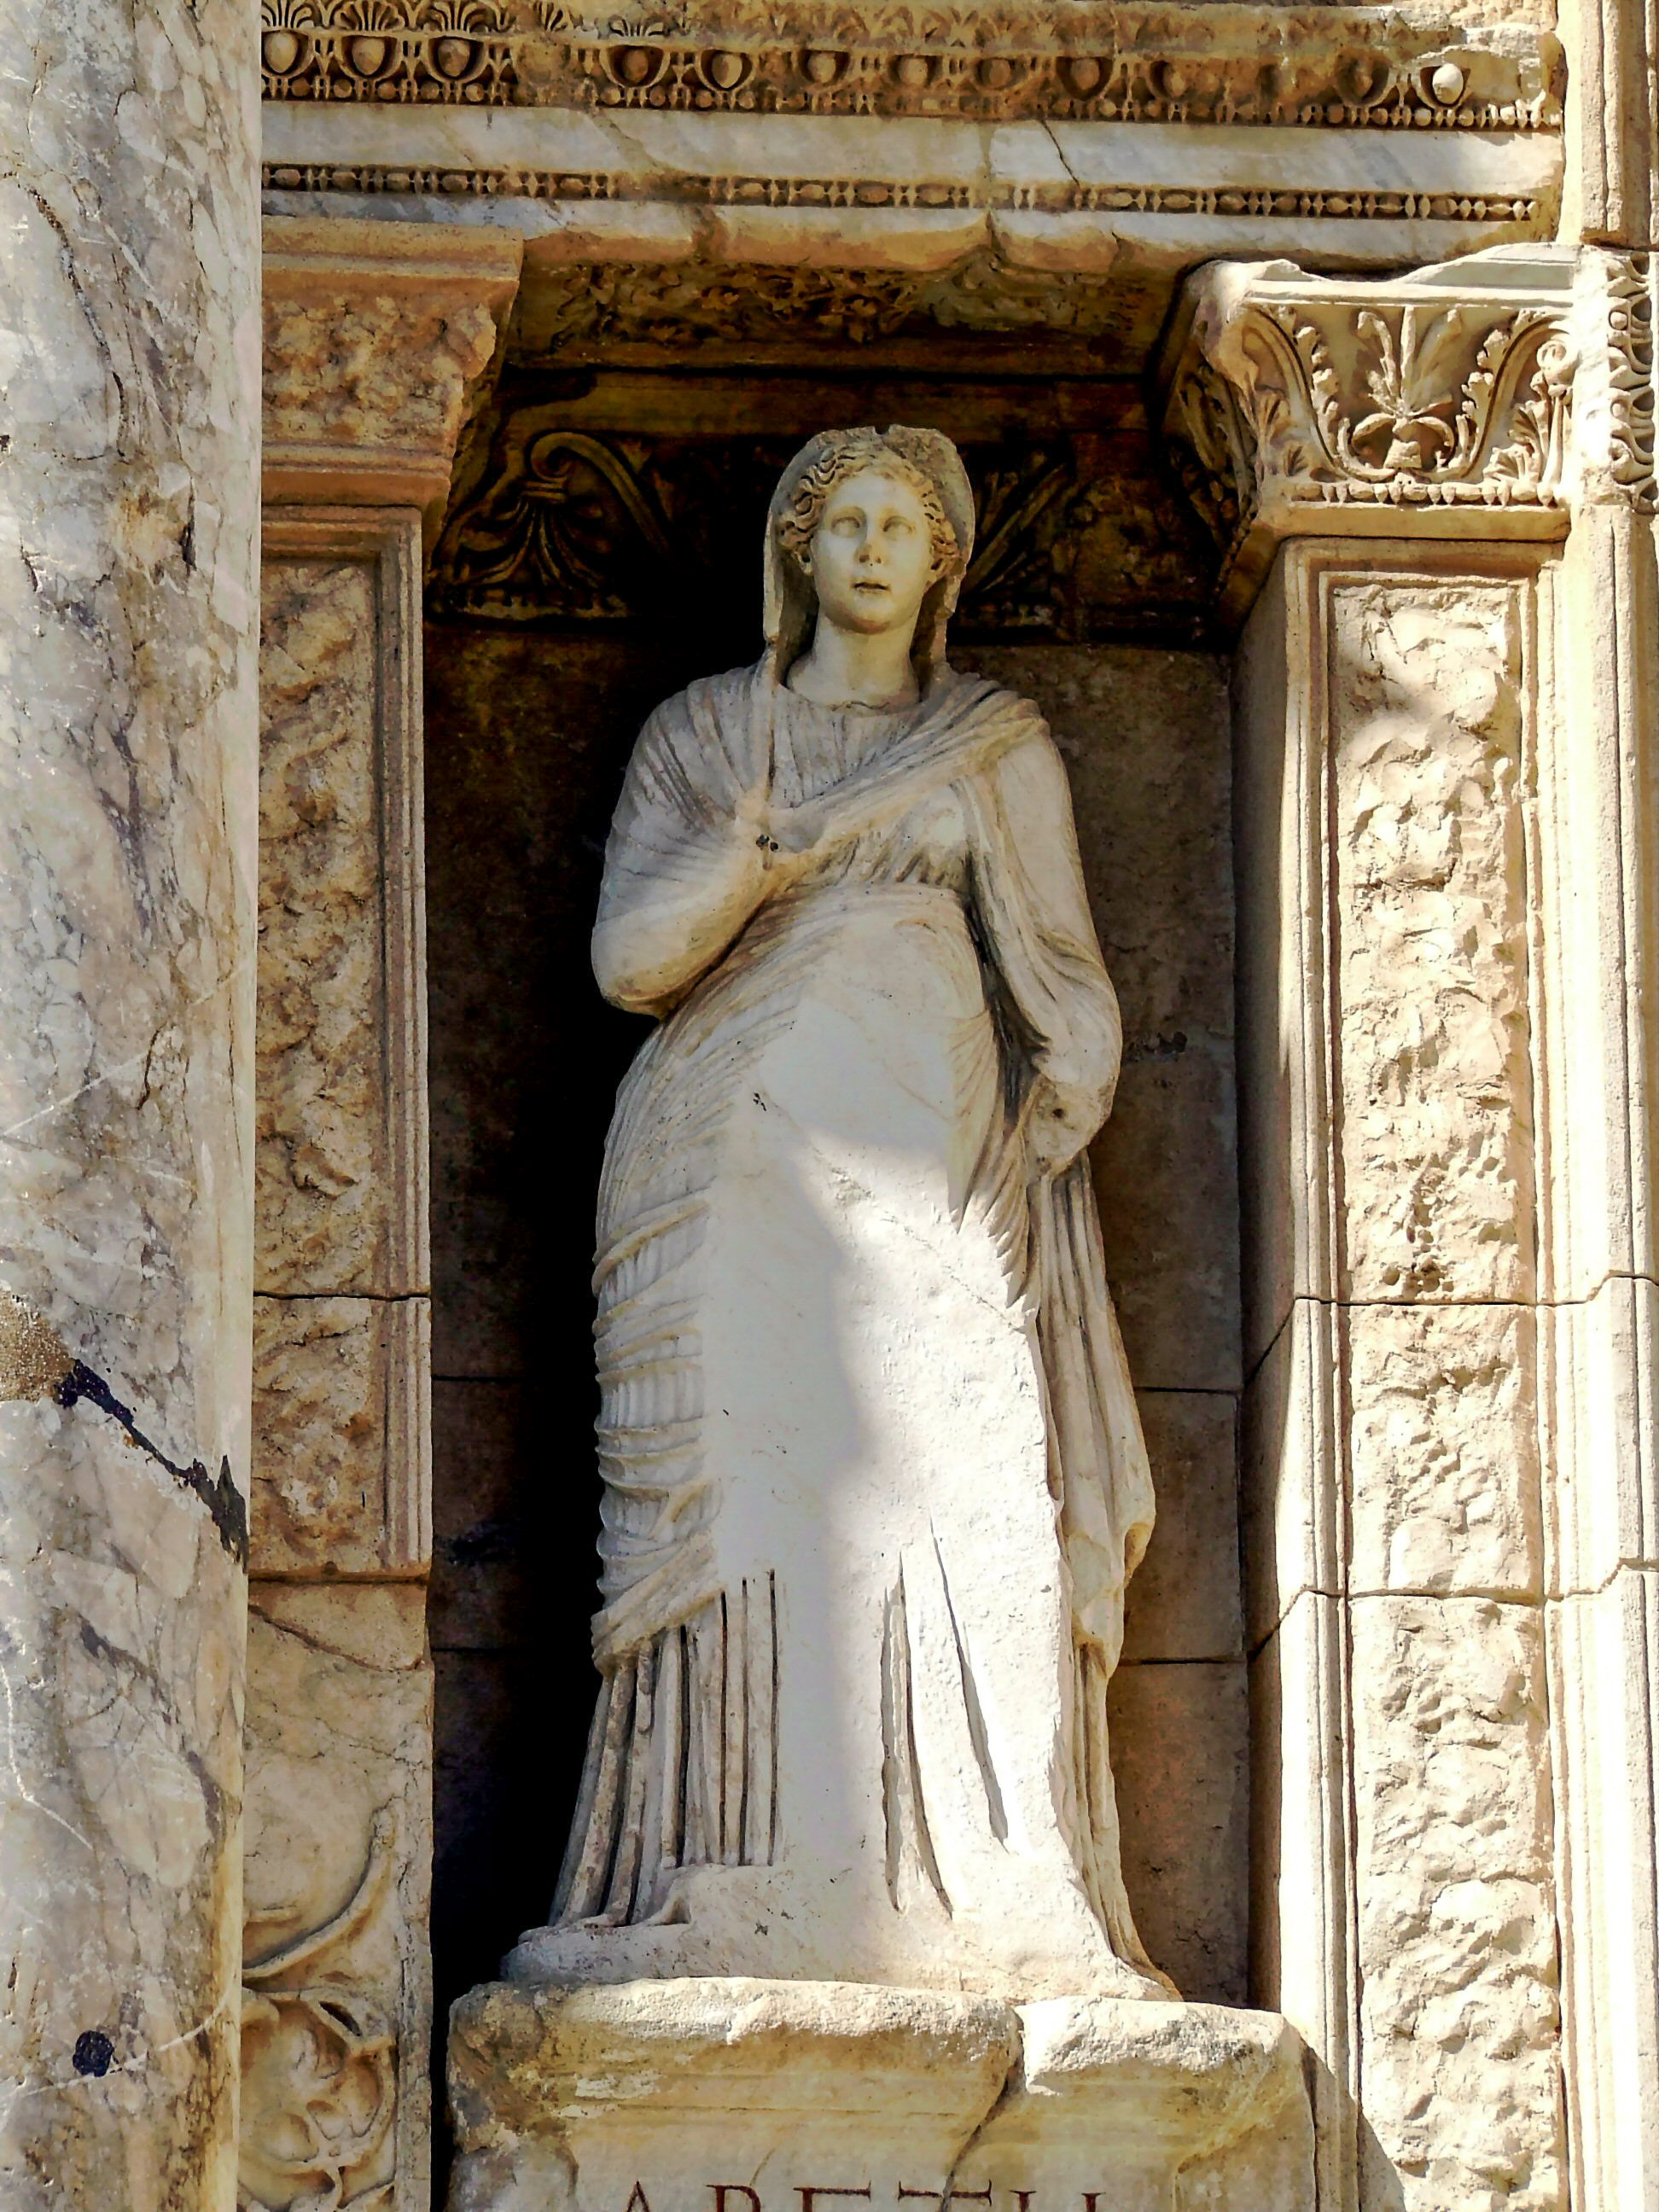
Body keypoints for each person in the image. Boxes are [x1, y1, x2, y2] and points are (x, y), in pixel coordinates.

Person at [520, 427, 1168, 2001]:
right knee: (744, 1488)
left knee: (962, 1479)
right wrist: (746, 873)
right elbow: (628, 964)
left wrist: (1058, 1099)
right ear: (795, 553)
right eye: (846, 523)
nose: (875, 549)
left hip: (933, 1144)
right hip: (720, 1162)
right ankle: (716, 1861)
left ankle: (1002, 1885)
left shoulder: (992, 745)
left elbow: (1064, 980)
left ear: (943, 566)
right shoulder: (707, 733)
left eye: (907, 527)